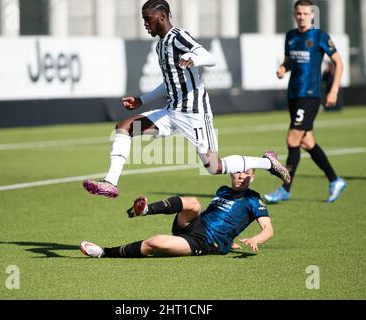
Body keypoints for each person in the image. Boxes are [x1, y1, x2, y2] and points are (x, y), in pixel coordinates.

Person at [83, 0, 290, 199]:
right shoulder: (160, 46)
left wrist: (194, 58)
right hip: (171, 111)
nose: (145, 24)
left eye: (148, 19)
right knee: (125, 127)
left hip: (194, 113)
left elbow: (210, 58)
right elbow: (169, 82)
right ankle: (111, 183)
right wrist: (142, 100)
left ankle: (268, 163)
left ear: (162, 17)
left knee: (213, 167)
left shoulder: (178, 36)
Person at [80, 169, 273, 258]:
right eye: (237, 172)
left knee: (154, 242)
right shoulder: (223, 190)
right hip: (193, 225)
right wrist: (230, 238)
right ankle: (145, 209)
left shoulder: (253, 200)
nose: (240, 176)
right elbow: (224, 218)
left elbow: (268, 229)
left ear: (253, 176)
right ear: (230, 174)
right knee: (194, 203)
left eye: (246, 173)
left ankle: (104, 252)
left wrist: (256, 239)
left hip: (204, 242)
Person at [264, 0, 347, 204]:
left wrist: (333, 90)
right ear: (295, 15)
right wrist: (284, 68)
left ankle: (285, 188)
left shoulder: (319, 36)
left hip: (310, 95)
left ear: (312, 15)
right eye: (298, 14)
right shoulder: (291, 36)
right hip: (293, 94)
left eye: (305, 13)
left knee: (292, 140)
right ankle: (335, 180)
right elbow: (289, 61)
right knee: (306, 142)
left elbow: (339, 62)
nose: (301, 17)